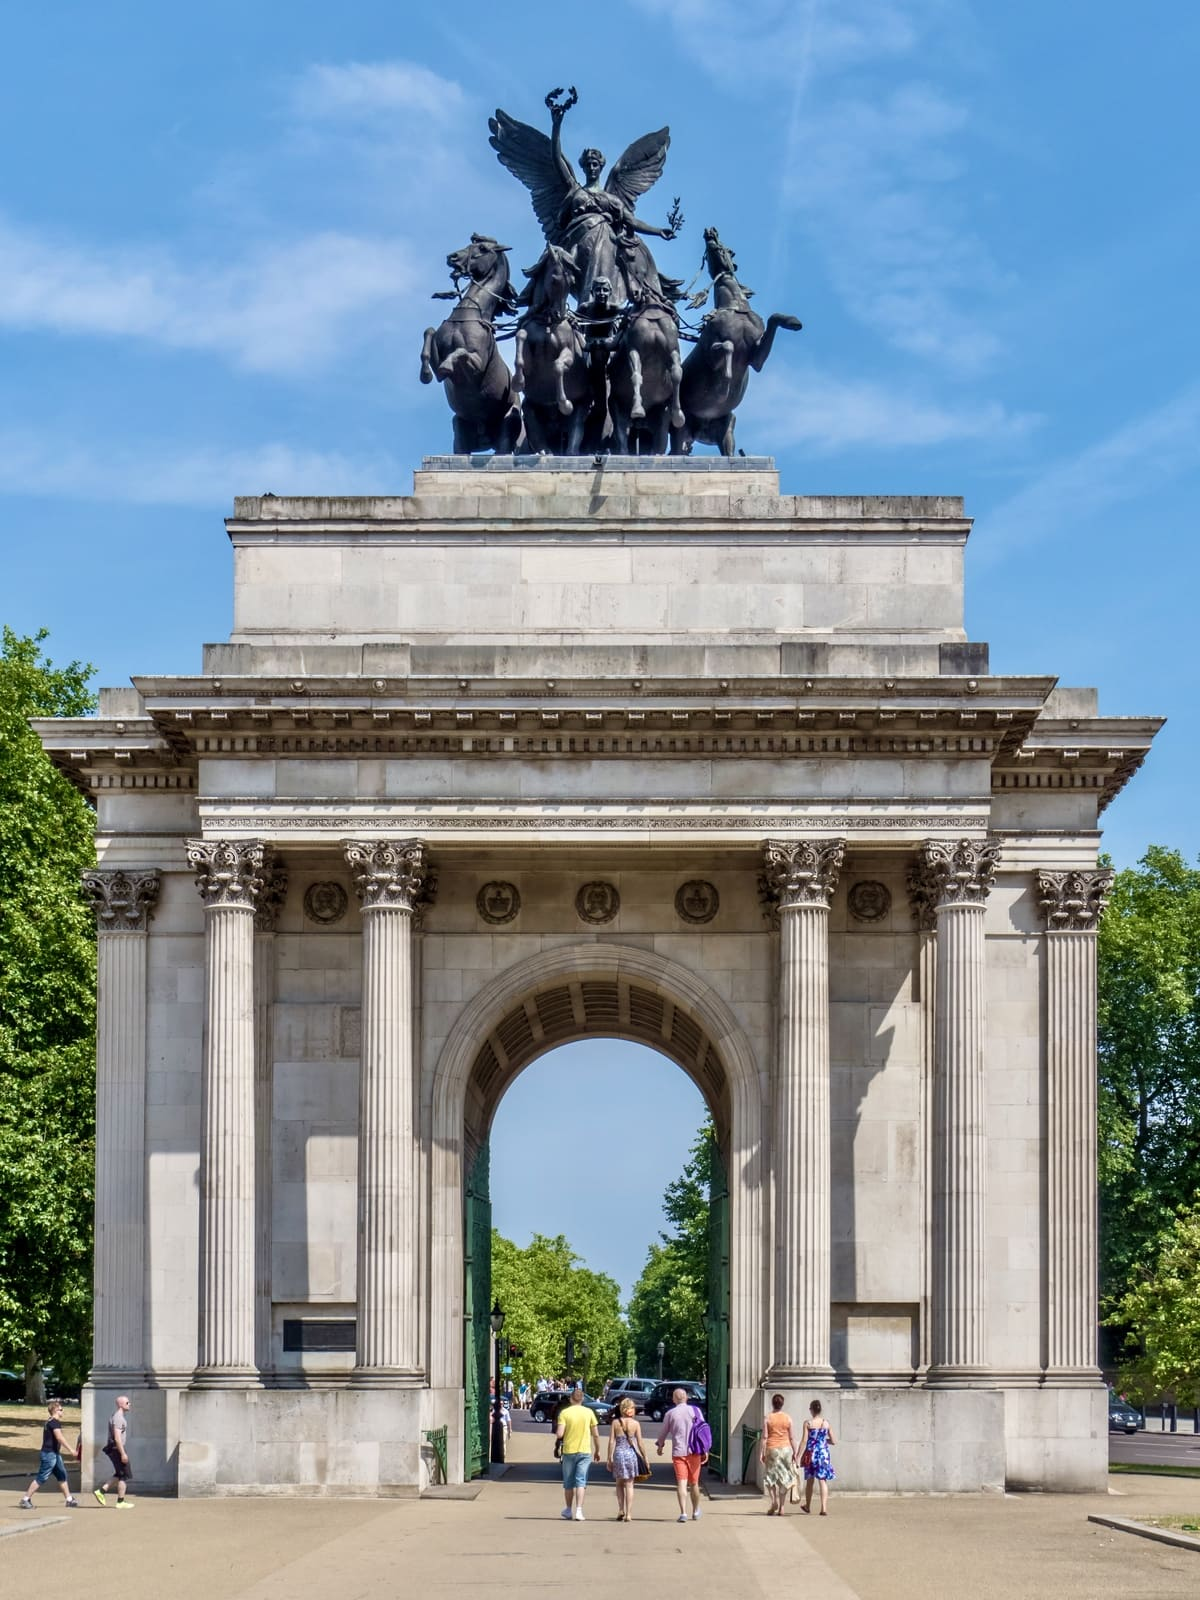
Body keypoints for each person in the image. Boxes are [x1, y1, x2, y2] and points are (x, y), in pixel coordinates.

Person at [655, 1386, 705, 1523]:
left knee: (681, 1483)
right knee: (694, 1483)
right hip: (694, 1451)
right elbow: (703, 1431)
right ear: (686, 1398)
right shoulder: (696, 1411)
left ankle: (683, 1513)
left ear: (674, 1399)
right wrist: (705, 1449)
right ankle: (695, 1511)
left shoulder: (670, 1414)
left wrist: (660, 1445)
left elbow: (663, 1432)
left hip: (678, 1452)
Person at [20, 1400, 80, 1510]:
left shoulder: (48, 1422)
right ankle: (25, 1499)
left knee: (62, 1475)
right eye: (61, 1409)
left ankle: (69, 1499)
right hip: (49, 1454)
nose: (63, 1411)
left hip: (54, 1454)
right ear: (56, 1410)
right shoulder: (54, 1423)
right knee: (42, 1477)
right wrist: (71, 1450)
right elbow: (59, 1437)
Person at [555, 1383, 599, 1522]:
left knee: (568, 1482)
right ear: (582, 1399)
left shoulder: (565, 1413)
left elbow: (559, 1434)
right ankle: (579, 1510)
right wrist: (597, 1450)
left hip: (569, 1450)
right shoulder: (589, 1412)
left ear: (571, 1399)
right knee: (581, 1481)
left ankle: (568, 1509)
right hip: (585, 1450)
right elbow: (596, 1434)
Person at [607, 1397, 647, 1522]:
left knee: (619, 1483)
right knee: (629, 1484)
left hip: (619, 1454)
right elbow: (640, 1442)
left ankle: (620, 1509)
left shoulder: (615, 1423)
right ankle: (629, 1513)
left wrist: (609, 1458)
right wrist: (645, 1458)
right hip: (631, 1455)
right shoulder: (635, 1424)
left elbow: (611, 1441)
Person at [759, 1392, 798, 1516]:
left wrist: (762, 1452)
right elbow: (792, 1437)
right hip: (785, 1449)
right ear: (782, 1404)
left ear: (773, 1404)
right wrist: (795, 1452)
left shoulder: (768, 1418)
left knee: (770, 1478)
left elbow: (764, 1437)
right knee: (784, 1479)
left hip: (772, 1449)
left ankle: (773, 1501)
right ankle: (782, 1507)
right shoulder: (788, 1418)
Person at [94, 1393, 134, 1507]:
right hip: (117, 1449)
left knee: (120, 1473)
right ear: (121, 1405)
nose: (129, 1404)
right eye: (127, 1403)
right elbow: (117, 1437)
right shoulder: (118, 1418)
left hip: (116, 1448)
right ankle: (120, 1502)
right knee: (123, 1475)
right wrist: (123, 1454)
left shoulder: (117, 1417)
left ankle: (101, 1491)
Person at [799, 1399, 836, 1516]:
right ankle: (823, 1508)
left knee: (810, 1480)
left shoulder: (808, 1423)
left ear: (811, 1410)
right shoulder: (826, 1423)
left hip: (811, 1453)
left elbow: (804, 1441)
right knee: (823, 1480)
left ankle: (808, 1506)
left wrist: (798, 1455)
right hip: (823, 1453)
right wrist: (823, 1442)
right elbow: (834, 1441)